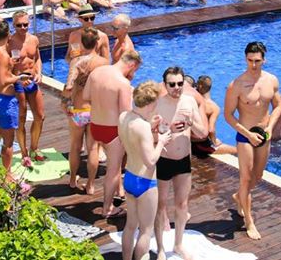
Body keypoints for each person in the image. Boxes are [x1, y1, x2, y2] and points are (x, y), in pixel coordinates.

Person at [225, 41, 281, 240]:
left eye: (257, 60)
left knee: (258, 176)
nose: (254, 65)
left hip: (264, 134)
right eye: (250, 60)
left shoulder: (271, 80)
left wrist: (270, 127)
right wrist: (248, 134)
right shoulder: (237, 84)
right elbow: (228, 115)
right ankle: (249, 221)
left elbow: (278, 106)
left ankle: (239, 196)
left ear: (264, 60)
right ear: (245, 59)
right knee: (246, 178)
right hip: (245, 135)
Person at [154, 67, 207, 260]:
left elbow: (203, 133)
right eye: (172, 84)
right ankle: (160, 248)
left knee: (182, 204)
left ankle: (178, 244)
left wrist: (191, 122)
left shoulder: (190, 101)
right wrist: (169, 129)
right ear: (165, 84)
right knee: (160, 206)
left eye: (180, 83)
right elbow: (148, 135)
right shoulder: (158, 104)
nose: (176, 87)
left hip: (183, 161)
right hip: (163, 160)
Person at [83, 50, 143, 218]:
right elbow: (125, 113)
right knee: (113, 170)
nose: (133, 74)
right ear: (132, 65)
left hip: (95, 126)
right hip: (113, 130)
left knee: (107, 164)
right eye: (135, 70)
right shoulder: (122, 83)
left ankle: (118, 192)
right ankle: (107, 208)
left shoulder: (96, 72)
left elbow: (86, 96)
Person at [119, 81, 172, 260]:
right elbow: (150, 162)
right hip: (146, 182)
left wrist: (149, 125)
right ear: (150, 104)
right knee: (146, 231)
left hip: (129, 177)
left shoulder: (124, 117)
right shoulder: (142, 127)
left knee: (130, 226)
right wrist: (161, 142)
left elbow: (133, 138)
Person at [0, 21, 30, 184]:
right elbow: (3, 81)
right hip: (6, 101)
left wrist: (7, 68)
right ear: (8, 34)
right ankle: (7, 175)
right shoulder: (3, 54)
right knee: (8, 142)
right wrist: (19, 77)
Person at [62, 27, 109, 193]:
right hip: (96, 111)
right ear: (97, 43)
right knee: (93, 148)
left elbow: (69, 87)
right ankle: (90, 185)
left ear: (82, 43)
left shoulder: (77, 62)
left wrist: (65, 103)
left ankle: (72, 180)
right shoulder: (104, 63)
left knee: (75, 146)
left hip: (78, 110)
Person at [9, 10, 46, 167]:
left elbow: (37, 58)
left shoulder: (34, 39)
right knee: (21, 119)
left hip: (32, 80)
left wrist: (39, 73)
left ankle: (34, 148)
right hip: (18, 82)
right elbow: (5, 66)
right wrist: (17, 77)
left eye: (25, 24)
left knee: (40, 116)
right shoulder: (10, 42)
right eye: (19, 25)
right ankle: (24, 153)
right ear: (13, 25)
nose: (23, 28)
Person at [193, 75, 237, 158]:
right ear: (210, 87)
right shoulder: (213, 107)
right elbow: (211, 130)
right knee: (238, 150)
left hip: (189, 142)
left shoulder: (192, 100)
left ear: (198, 86)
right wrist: (214, 142)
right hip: (201, 146)